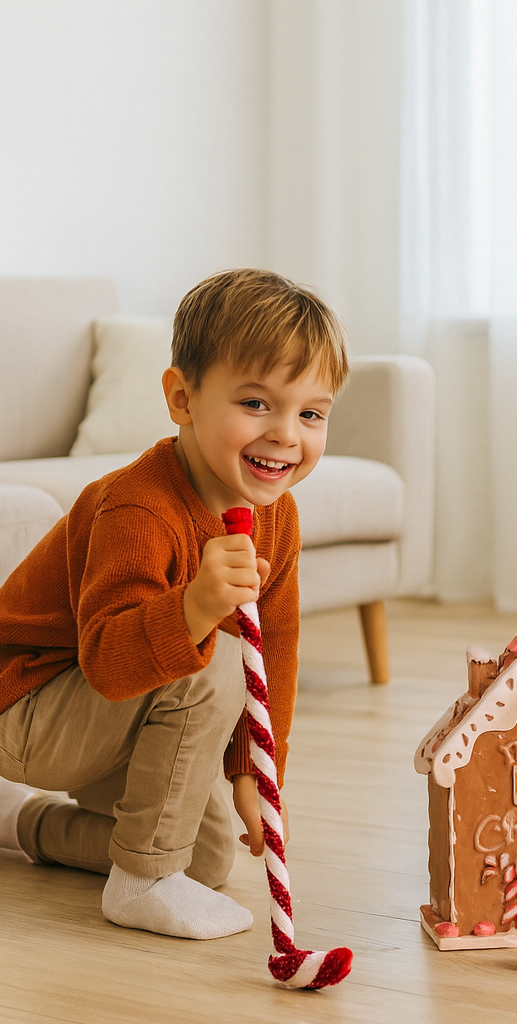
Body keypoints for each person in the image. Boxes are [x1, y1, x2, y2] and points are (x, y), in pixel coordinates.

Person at [0, 268, 347, 939]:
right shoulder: (138, 507)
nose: (285, 434)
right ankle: (141, 884)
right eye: (255, 403)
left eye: (310, 413)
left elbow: (273, 652)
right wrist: (194, 608)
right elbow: (105, 663)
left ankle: (19, 823)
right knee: (212, 657)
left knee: (208, 859)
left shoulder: (278, 517)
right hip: (26, 699)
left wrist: (251, 770)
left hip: (102, 713)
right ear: (182, 399)